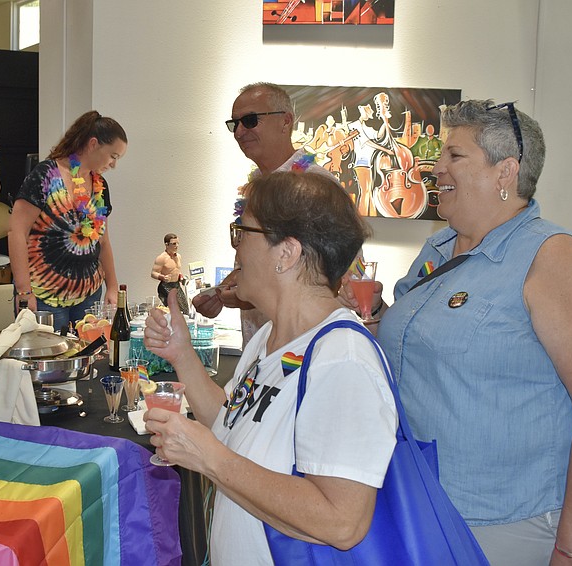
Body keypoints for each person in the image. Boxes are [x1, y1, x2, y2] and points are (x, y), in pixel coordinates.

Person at [371, 100, 572, 564]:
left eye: (455, 155)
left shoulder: (555, 259)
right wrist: (372, 315)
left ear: (505, 172)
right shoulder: (439, 248)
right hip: (418, 499)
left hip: (506, 521)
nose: (436, 167)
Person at [144, 171, 398, 565]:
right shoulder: (270, 336)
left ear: (286, 253)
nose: (236, 250)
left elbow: (342, 522)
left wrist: (210, 458)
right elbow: (230, 424)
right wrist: (182, 354)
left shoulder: (342, 358)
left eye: (242, 233)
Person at [193, 82, 337, 347]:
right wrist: (225, 290)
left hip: (300, 350)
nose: (239, 132)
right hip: (260, 349)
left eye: (250, 120)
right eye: (234, 124)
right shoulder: (255, 186)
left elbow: (334, 277)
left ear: (285, 121)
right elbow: (265, 261)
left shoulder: (316, 186)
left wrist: (249, 296)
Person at [8, 110, 126, 331]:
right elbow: (17, 232)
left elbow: (103, 241)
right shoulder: (46, 175)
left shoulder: (100, 185)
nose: (113, 164)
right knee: (51, 354)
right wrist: (23, 291)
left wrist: (112, 286)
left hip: (89, 295)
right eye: (113, 156)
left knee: (89, 351)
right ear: (93, 144)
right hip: (44, 295)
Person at [151, 233, 189, 314]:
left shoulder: (178, 256)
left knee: (185, 309)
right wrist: (162, 277)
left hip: (176, 285)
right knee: (175, 310)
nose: (176, 246)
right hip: (166, 286)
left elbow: (176, 270)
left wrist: (180, 277)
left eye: (177, 243)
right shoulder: (162, 258)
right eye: (174, 244)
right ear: (167, 244)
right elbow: (153, 273)